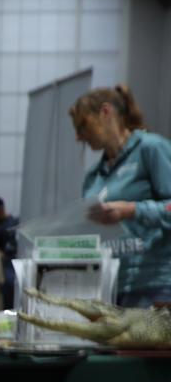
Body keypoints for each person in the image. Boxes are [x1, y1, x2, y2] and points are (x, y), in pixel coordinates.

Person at [70, 85, 171, 307]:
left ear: (106, 113)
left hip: (156, 285)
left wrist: (131, 210)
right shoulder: (93, 177)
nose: (78, 136)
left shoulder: (151, 149)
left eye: (82, 125)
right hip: (112, 286)